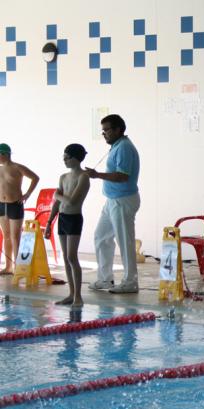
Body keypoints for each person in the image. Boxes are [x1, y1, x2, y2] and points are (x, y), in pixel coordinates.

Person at [85, 114, 141, 294]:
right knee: (101, 237)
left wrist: (97, 175)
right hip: (112, 200)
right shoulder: (117, 146)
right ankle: (105, 278)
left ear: (119, 129)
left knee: (125, 241)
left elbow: (122, 176)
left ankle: (130, 281)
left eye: (107, 130)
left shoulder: (124, 147)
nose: (104, 134)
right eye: (103, 131)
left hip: (123, 200)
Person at [45, 144, 91, 308]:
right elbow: (57, 203)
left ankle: (78, 296)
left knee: (72, 256)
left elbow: (72, 201)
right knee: (65, 257)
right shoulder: (63, 177)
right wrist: (50, 222)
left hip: (74, 219)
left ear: (75, 158)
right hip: (63, 218)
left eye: (66, 157)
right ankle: (71, 294)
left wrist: (57, 194)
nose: (64, 160)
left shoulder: (83, 177)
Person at [0, 143, 39, 274]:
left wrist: (27, 194)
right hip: (1, 205)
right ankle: (8, 267)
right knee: (6, 236)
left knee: (15, 236)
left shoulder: (17, 167)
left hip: (14, 205)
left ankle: (18, 267)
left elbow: (35, 177)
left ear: (4, 154)